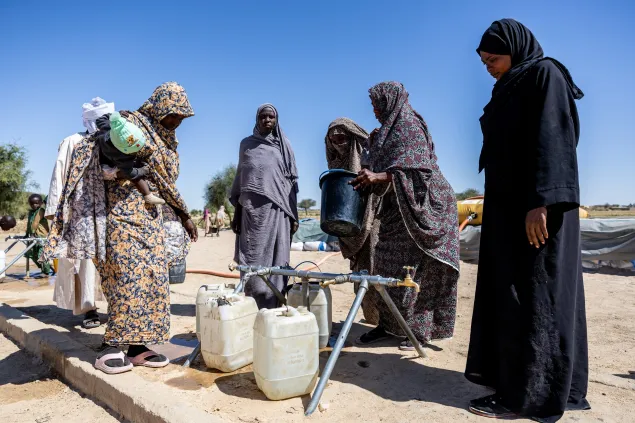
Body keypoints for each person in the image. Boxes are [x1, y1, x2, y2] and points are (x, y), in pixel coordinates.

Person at [464, 19, 589, 422]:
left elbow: (554, 138)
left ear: (516, 50)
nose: (489, 65)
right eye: (483, 60)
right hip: (509, 208)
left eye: (494, 58)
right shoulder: (511, 83)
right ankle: (537, 383)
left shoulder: (543, 74)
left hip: (535, 210)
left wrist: (542, 203)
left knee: (532, 296)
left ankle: (525, 396)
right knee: (514, 293)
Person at [44, 82, 197, 374]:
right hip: (120, 216)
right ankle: (111, 347)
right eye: (173, 115)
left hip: (151, 221)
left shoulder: (167, 140)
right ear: (159, 106)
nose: (177, 122)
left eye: (182, 117)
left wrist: (182, 214)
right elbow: (97, 158)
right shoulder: (129, 124)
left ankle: (139, 346)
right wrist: (118, 171)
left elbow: (164, 182)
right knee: (124, 278)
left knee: (151, 280)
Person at [351, 82, 460, 351]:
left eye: (379, 104)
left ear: (391, 101)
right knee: (385, 264)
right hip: (397, 208)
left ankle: (419, 333)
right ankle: (389, 326)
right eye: (373, 105)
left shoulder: (409, 125)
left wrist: (377, 176)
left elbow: (420, 170)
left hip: (425, 207)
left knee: (420, 271)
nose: (375, 110)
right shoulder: (385, 133)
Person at [46, 97, 109, 329]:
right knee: (84, 261)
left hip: (106, 212)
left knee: (108, 259)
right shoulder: (72, 142)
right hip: (79, 213)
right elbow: (59, 175)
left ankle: (114, 305)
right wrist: (56, 213)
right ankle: (89, 308)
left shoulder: (111, 142)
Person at [231, 104, 299, 309]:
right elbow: (241, 180)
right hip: (251, 213)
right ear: (257, 119)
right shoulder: (246, 145)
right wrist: (237, 213)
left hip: (278, 212)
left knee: (277, 257)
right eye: (263, 116)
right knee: (252, 255)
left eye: (271, 117)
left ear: (276, 120)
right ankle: (253, 302)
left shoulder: (284, 147)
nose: (267, 120)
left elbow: (291, 185)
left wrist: (293, 214)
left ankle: (274, 302)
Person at [324, 117, 380, 325]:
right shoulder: (335, 161)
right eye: (333, 139)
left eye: (342, 137)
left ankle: (380, 319)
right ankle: (371, 316)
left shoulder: (367, 154)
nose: (338, 142)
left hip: (373, 219)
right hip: (350, 222)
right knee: (361, 270)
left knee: (374, 267)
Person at [97, 111, 165, 205]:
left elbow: (100, 119)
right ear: (121, 149)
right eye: (133, 151)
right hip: (108, 165)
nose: (136, 152)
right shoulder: (121, 157)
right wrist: (142, 170)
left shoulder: (107, 127)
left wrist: (117, 116)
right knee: (136, 176)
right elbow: (129, 173)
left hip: (104, 149)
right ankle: (148, 195)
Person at [25, 194, 52, 275]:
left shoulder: (41, 211)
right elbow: (29, 224)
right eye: (32, 204)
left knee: (42, 254)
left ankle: (46, 272)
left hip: (41, 236)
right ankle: (43, 269)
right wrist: (27, 234)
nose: (34, 205)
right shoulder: (31, 212)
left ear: (40, 203)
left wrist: (32, 233)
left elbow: (36, 222)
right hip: (34, 237)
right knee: (33, 254)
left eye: (36, 203)